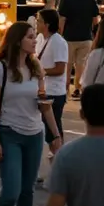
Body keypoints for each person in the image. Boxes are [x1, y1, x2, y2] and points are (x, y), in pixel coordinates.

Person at [0, 22, 62, 206]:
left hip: (34, 134)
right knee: (11, 190)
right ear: (17, 40)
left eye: (35, 36)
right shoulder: (0, 69)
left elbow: (44, 104)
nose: (34, 40)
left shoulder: (35, 66)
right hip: (9, 133)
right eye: (30, 37)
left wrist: (56, 135)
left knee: (27, 190)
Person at [58, 0, 99, 100]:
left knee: (67, 64)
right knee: (81, 64)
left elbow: (62, 20)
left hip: (69, 37)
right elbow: (95, 21)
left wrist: (60, 35)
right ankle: (78, 88)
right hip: (86, 37)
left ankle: (64, 89)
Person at [35, 10, 69, 162]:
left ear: (47, 24)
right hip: (42, 89)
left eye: (39, 20)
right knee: (47, 126)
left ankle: (60, 153)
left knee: (54, 125)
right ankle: (55, 152)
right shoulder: (40, 38)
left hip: (55, 91)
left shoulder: (58, 42)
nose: (36, 23)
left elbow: (60, 69)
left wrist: (41, 72)